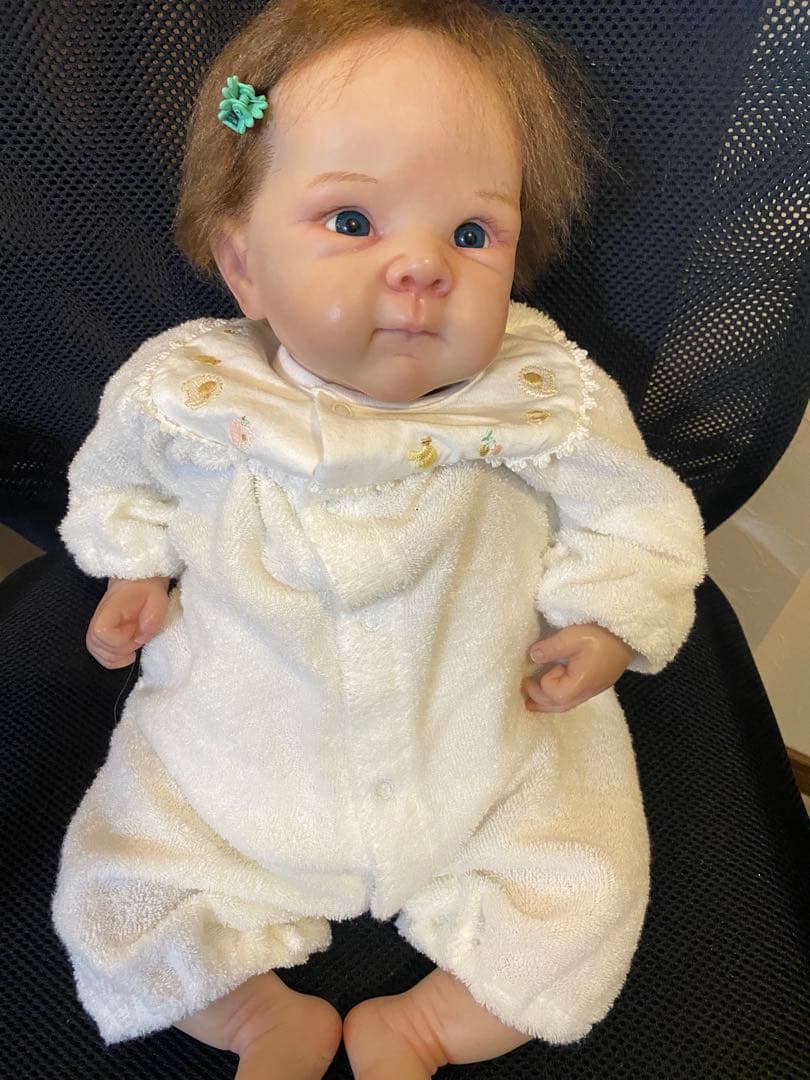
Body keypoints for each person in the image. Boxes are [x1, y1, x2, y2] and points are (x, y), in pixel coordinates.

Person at [51, 1, 707, 1076]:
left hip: (482, 747)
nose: (422, 268)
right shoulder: (188, 392)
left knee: (585, 887)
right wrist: (133, 570)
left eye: (471, 234)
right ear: (244, 263)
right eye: (353, 221)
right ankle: (259, 1019)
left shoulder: (545, 396)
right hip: (241, 750)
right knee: (119, 889)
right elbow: (120, 484)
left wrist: (607, 623)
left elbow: (637, 517)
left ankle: (427, 1026)